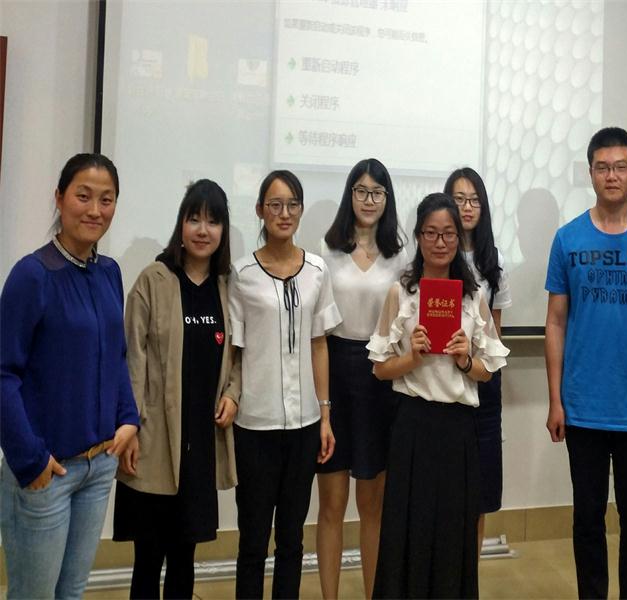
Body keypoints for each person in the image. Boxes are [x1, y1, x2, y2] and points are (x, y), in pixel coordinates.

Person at [544, 127, 627, 599]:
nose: (612, 175)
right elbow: (555, 322)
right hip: (582, 407)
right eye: (603, 167)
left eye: (621, 166)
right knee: (587, 520)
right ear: (591, 173)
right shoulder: (567, 239)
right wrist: (555, 400)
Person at [0, 153, 140, 599]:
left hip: (98, 467)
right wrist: (31, 460)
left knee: (73, 591)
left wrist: (128, 418)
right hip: (47, 472)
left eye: (106, 199)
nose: (95, 210)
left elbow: (116, 355)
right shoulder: (32, 275)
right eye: (83, 196)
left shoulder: (109, 272)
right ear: (59, 198)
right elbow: (3, 373)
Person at [368, 193, 509, 599]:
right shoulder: (400, 293)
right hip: (412, 426)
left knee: (453, 532)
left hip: (458, 429)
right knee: (408, 530)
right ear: (418, 236)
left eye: (448, 233)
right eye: (431, 233)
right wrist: (411, 357)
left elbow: (488, 370)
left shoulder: (472, 296)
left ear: (458, 236)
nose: (440, 242)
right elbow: (380, 369)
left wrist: (465, 360)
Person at [112, 179, 240, 599]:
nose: (203, 230)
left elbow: (239, 355)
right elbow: (132, 358)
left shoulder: (227, 287)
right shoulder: (154, 280)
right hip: (154, 442)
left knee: (185, 559)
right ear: (181, 224)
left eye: (213, 221)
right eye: (194, 218)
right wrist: (131, 425)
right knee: (149, 558)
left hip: (200, 447)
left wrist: (232, 394)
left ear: (223, 231)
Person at [228, 170, 341, 599]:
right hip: (255, 426)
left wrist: (325, 416)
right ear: (260, 210)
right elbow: (234, 352)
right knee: (253, 540)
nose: (284, 213)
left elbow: (319, 344)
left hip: (304, 424)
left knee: (292, 539)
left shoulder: (317, 270)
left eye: (292, 204)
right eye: (275, 205)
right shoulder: (241, 274)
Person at [316, 158, 407, 599]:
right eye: (361, 191)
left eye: (377, 192)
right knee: (332, 503)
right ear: (349, 195)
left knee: (373, 504)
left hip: (381, 377)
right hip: (335, 369)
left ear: (387, 199)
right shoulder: (326, 249)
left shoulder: (400, 254)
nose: (369, 200)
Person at [444, 167, 511, 553]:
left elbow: (495, 334)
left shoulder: (493, 260)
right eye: (459, 199)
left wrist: (480, 364)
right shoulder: (437, 255)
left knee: (481, 487)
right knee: (449, 482)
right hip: (443, 378)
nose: (467, 207)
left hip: (483, 379)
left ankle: (470, 570)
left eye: (474, 200)